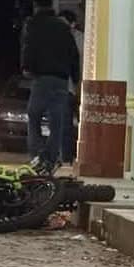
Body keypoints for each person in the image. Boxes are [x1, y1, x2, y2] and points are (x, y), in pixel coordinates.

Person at [21, 0, 80, 174]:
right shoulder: (62, 27)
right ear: (52, 4)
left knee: (34, 115)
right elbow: (74, 55)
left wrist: (27, 67)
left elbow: (29, 47)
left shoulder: (33, 24)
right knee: (57, 122)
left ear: (36, 4)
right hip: (61, 80)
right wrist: (76, 79)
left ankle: (38, 155)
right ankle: (52, 158)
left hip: (42, 78)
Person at [58, 9, 84, 164]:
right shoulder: (57, 39)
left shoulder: (82, 40)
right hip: (66, 88)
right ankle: (65, 156)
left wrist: (80, 85)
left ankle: (78, 155)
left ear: (73, 24)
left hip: (81, 86)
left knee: (82, 124)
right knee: (64, 124)